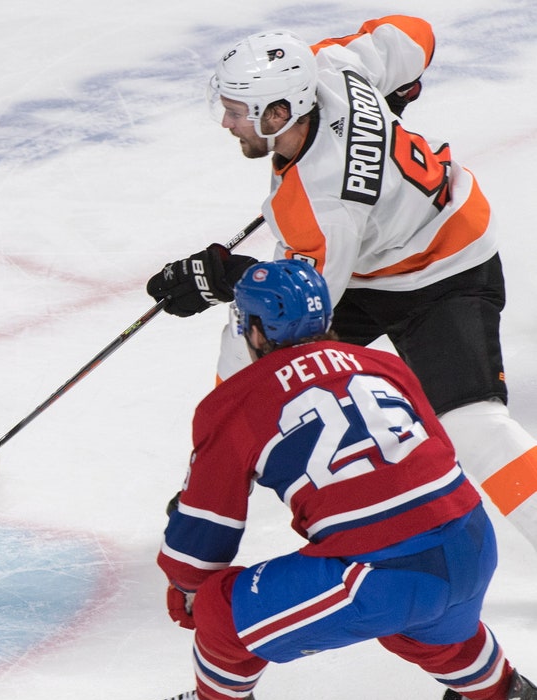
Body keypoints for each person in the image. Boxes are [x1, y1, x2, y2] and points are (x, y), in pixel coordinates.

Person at [145, 16, 537, 556]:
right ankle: (218, 474)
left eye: (237, 113)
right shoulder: (329, 64)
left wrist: (224, 278)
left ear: (280, 114)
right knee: (244, 338)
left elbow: (296, 303)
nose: (226, 123)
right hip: (364, 259)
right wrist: (397, 88)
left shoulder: (320, 204)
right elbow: (412, 33)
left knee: (473, 425)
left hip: (445, 271)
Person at [143, 259, 537, 700]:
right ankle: (504, 695)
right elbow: (435, 452)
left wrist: (186, 585)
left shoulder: (233, 403)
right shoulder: (385, 365)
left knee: (220, 609)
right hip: (472, 541)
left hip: (384, 575)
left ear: (254, 331)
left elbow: (207, 526)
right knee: (424, 621)